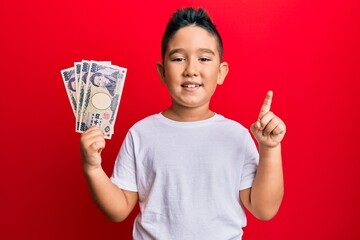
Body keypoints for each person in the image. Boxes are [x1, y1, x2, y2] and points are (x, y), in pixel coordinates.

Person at [80, 7, 286, 240]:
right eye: (178, 58)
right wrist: (93, 168)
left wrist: (270, 149)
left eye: (204, 59)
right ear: (162, 72)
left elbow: (264, 209)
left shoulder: (236, 136)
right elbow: (118, 210)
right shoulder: (141, 134)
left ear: (221, 72)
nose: (191, 70)